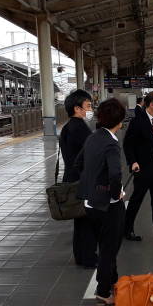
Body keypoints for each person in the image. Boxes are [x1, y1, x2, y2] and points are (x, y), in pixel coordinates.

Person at [76, 98, 127, 306]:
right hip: (108, 206)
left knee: (104, 245)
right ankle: (103, 291)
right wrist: (116, 194)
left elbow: (79, 163)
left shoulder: (93, 137)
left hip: (90, 204)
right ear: (120, 121)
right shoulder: (112, 143)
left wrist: (92, 186)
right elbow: (115, 174)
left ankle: (112, 282)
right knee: (109, 249)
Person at [123, 91, 153, 242]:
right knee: (136, 199)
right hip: (143, 168)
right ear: (151, 105)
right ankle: (127, 229)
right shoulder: (137, 121)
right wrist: (133, 162)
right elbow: (128, 144)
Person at [60, 90, 97, 268]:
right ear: (77, 108)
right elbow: (89, 156)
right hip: (82, 181)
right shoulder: (80, 128)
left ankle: (81, 256)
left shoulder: (67, 127)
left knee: (80, 221)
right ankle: (88, 258)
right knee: (88, 221)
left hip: (72, 178)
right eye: (88, 106)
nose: (90, 110)